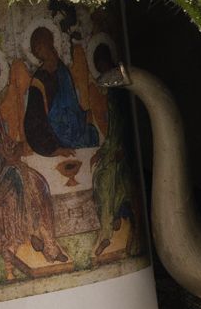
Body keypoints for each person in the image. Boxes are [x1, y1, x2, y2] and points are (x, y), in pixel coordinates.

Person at [0, 53, 67, 269]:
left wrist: (15, 147)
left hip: (2, 164)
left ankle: (48, 242)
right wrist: (2, 159)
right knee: (16, 178)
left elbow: (1, 138)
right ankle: (21, 240)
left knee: (39, 183)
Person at [23, 26, 99, 156]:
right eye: (35, 49)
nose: (38, 52)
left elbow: (72, 102)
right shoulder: (39, 79)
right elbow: (33, 119)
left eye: (40, 46)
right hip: (55, 133)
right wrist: (53, 149)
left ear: (49, 42)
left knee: (91, 134)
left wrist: (82, 116)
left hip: (74, 125)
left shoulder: (63, 70)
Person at [90, 43, 135, 257]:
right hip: (114, 147)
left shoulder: (122, 90)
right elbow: (112, 130)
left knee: (109, 181)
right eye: (99, 67)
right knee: (99, 178)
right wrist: (102, 151)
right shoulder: (111, 93)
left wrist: (123, 148)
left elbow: (126, 123)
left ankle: (108, 235)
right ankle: (111, 224)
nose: (103, 69)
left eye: (104, 63)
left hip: (124, 150)